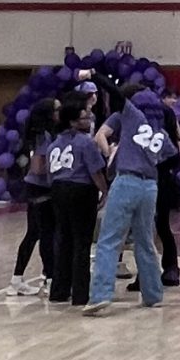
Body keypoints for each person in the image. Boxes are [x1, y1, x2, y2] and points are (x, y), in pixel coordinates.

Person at [85, 87, 177, 314]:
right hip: (150, 186)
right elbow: (172, 154)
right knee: (145, 241)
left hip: (126, 180)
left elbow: (101, 135)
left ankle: (100, 295)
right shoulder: (161, 133)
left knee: (109, 240)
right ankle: (153, 294)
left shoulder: (130, 116)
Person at [43, 102, 106, 309]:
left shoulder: (53, 144)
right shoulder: (85, 143)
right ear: (72, 122)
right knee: (82, 242)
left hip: (58, 190)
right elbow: (95, 171)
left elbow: (49, 173)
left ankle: (59, 291)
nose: (89, 121)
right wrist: (104, 192)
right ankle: (80, 294)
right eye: (84, 118)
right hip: (80, 190)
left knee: (63, 238)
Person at [8, 101, 59, 295]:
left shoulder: (42, 134)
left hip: (36, 187)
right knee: (45, 233)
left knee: (34, 233)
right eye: (57, 110)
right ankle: (49, 278)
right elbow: (37, 167)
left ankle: (17, 279)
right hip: (40, 188)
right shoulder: (43, 136)